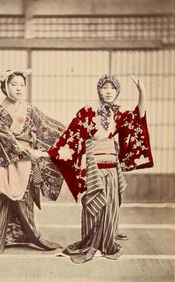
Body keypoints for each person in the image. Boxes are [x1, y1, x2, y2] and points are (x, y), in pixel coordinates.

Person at [48, 74, 153, 263]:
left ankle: (106, 243)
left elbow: (139, 117)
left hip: (112, 169)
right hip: (93, 168)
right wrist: (49, 154)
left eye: (113, 88)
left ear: (117, 92)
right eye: (105, 87)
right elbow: (70, 137)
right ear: (99, 90)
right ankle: (89, 242)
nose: (109, 91)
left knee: (111, 206)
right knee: (93, 207)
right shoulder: (87, 112)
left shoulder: (119, 115)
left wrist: (142, 91)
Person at [0, 69, 65, 258]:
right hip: (2, 162)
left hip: (25, 163)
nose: (18, 88)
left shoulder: (30, 109)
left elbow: (48, 127)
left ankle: (19, 236)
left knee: (25, 201)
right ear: (4, 87)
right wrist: (28, 151)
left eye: (21, 84)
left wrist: (70, 135)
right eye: (14, 84)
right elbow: (5, 139)